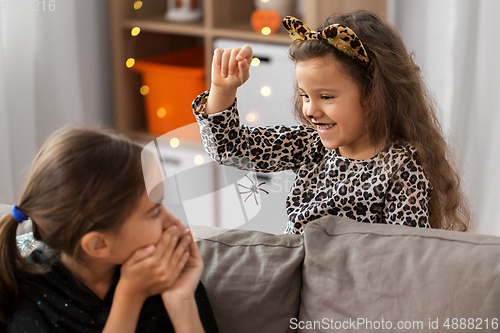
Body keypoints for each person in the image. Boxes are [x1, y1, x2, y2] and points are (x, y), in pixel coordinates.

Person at [192, 10, 470, 234]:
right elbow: (229, 149)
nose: (311, 110)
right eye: (304, 96)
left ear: (375, 94)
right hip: (295, 277)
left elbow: (405, 256)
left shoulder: (401, 168)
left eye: (326, 96)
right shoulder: (310, 145)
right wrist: (223, 92)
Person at [0, 127, 219, 333]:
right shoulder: (30, 297)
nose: (172, 221)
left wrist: (182, 302)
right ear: (98, 244)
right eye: (154, 212)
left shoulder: (167, 270)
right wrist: (130, 296)